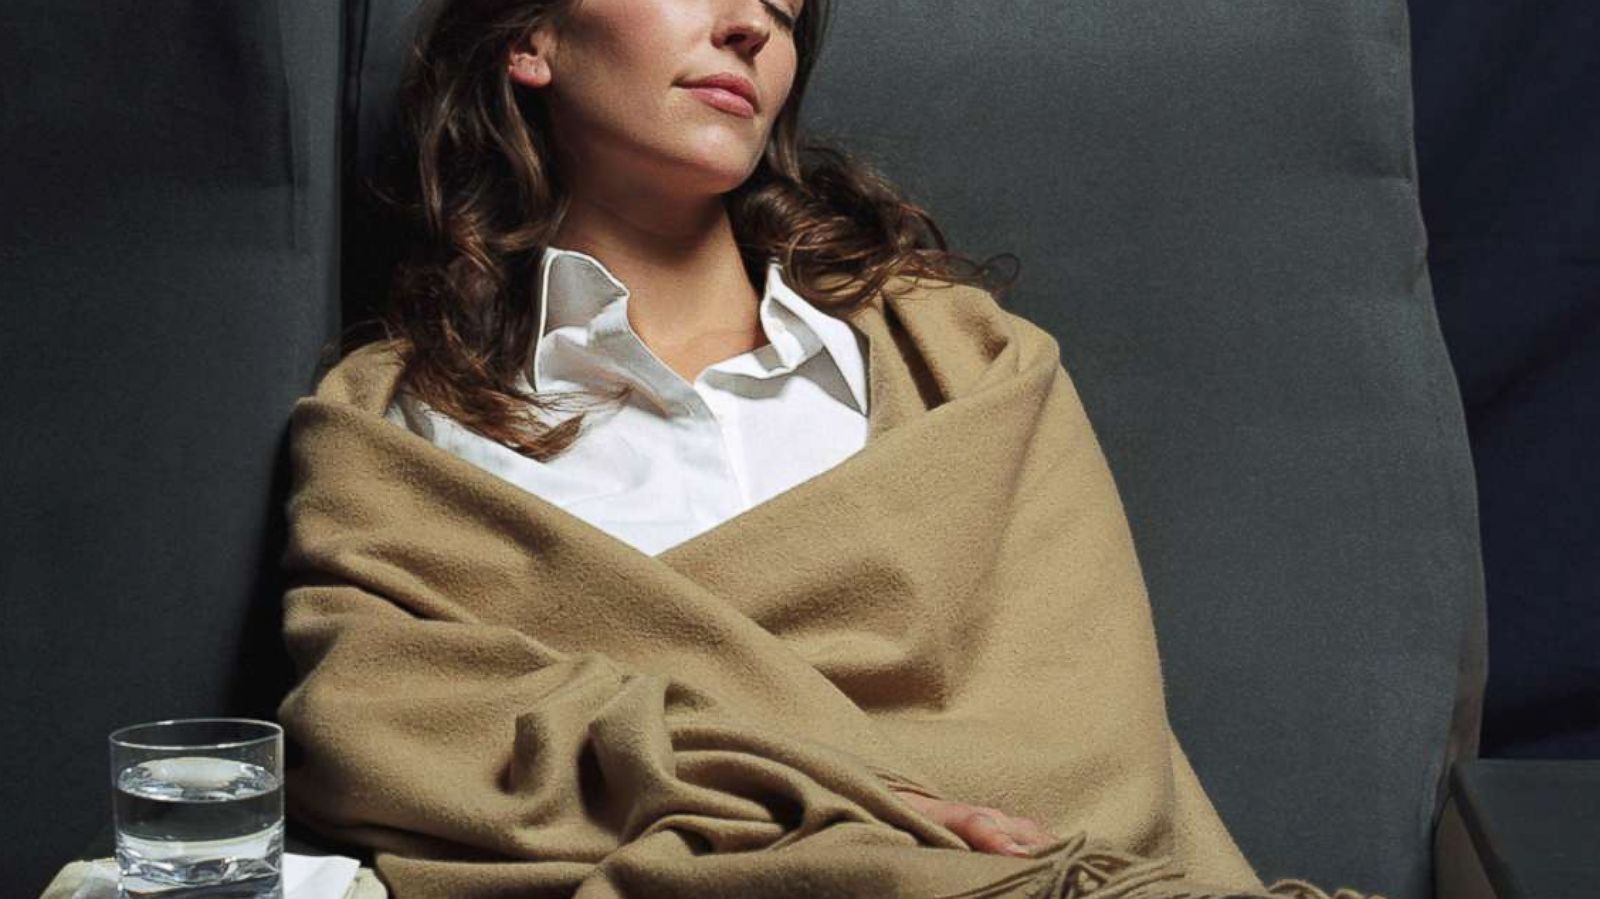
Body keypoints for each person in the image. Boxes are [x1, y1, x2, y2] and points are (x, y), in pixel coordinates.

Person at [276, 1, 1383, 897]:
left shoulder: (961, 365)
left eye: (781, 6)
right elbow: (365, 722)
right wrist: (842, 802)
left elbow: (1086, 734)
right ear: (532, 41)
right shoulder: (399, 423)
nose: (752, 26)